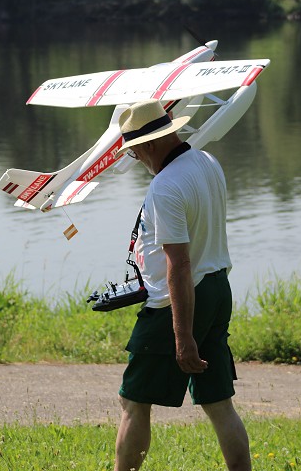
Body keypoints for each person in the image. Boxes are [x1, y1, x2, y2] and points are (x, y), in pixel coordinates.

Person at [113, 100, 251, 471]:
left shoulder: (165, 186)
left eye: (136, 151)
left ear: (151, 144)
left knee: (134, 402)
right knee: (219, 402)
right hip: (219, 287)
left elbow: (180, 263)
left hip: (180, 301)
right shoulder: (208, 162)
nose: (137, 159)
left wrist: (182, 335)